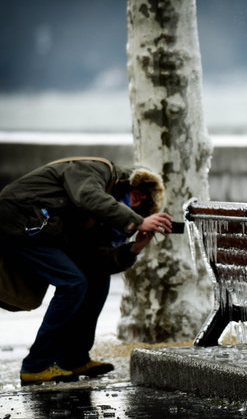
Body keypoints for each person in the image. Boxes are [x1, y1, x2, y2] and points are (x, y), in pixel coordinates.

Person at [0, 157, 173, 385]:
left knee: (97, 277)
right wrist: (137, 221)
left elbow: (96, 257)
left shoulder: (98, 217)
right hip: (20, 216)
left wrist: (135, 247)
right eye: (141, 191)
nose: (140, 198)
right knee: (72, 283)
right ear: (130, 181)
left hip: (45, 229)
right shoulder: (97, 170)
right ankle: (36, 365)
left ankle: (74, 358)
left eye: (143, 202)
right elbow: (88, 197)